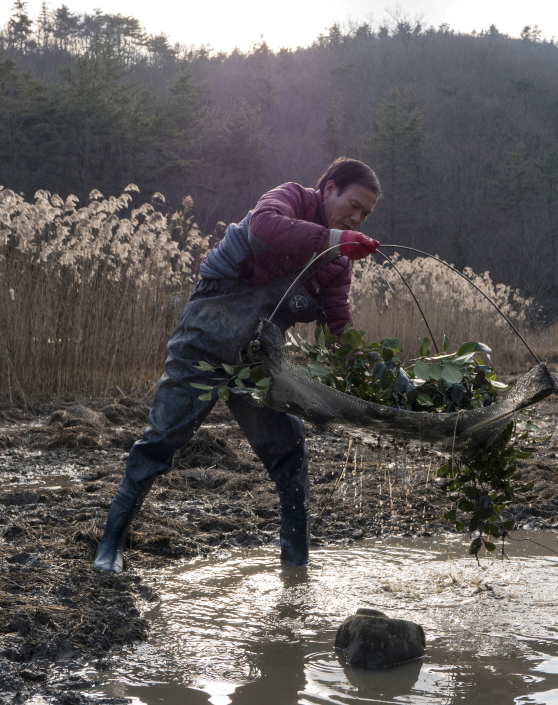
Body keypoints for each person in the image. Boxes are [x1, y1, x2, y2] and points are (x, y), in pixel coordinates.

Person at [94, 157, 382, 573]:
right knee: (160, 442)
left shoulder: (340, 263)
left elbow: (339, 325)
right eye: (353, 205)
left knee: (290, 450)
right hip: (205, 341)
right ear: (328, 188)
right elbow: (265, 227)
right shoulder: (289, 199)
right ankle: (110, 546)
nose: (357, 217)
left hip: (259, 358)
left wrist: (364, 370)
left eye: (365, 214)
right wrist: (334, 235)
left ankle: (296, 565)